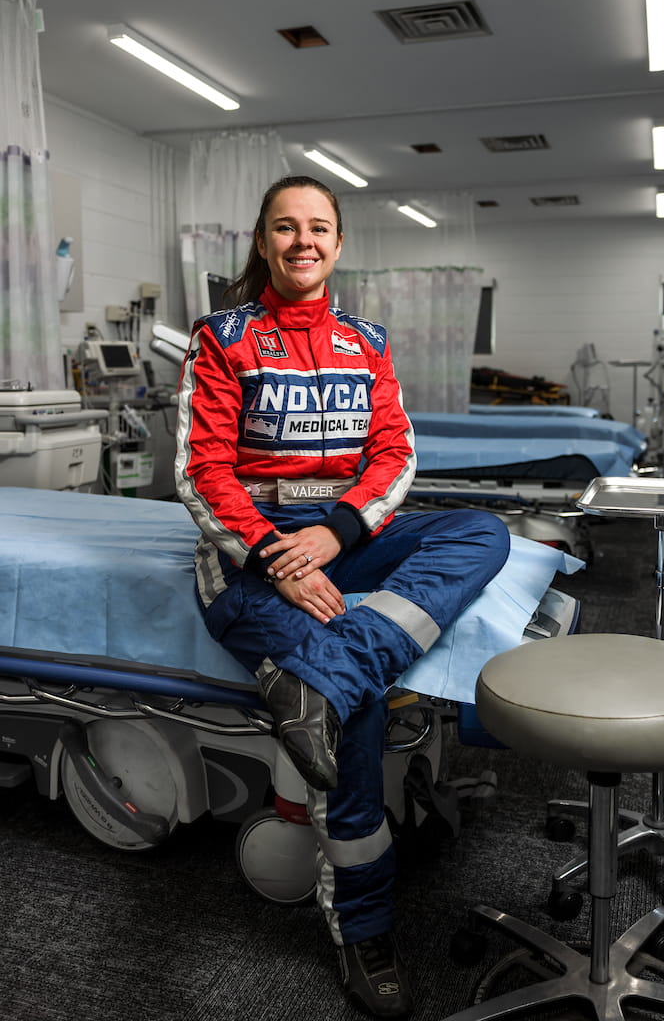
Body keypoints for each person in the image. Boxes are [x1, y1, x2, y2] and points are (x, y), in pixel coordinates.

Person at [175, 175, 510, 1019]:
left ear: (338, 243)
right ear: (263, 243)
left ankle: (334, 668)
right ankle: (364, 929)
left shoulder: (367, 340)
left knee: (482, 532)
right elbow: (202, 470)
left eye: (318, 228)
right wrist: (278, 554)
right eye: (285, 229)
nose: (303, 242)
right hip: (250, 553)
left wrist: (341, 535)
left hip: (344, 538)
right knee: (356, 717)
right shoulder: (223, 337)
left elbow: (394, 456)